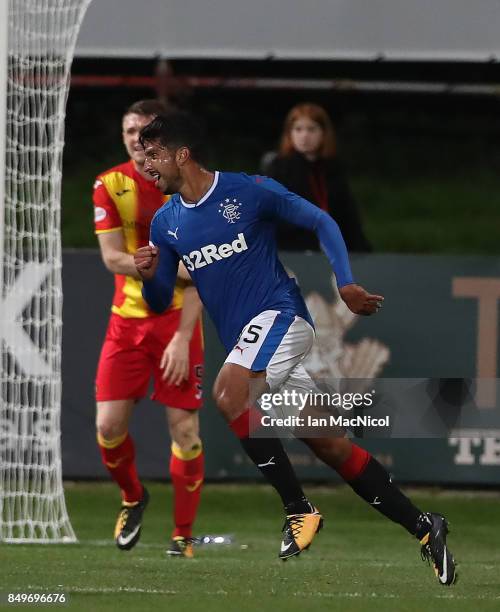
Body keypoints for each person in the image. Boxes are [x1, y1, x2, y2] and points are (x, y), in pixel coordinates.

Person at [133, 111, 456, 585]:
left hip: (282, 318)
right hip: (254, 343)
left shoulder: (247, 190)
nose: (147, 165)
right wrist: (148, 277)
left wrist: (345, 283)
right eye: (143, 156)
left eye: (154, 154)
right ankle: (426, 528)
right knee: (329, 445)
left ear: (183, 154)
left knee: (227, 394)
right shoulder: (165, 224)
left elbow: (321, 220)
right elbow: (162, 298)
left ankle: (298, 509)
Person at [92, 100, 204, 558]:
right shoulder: (110, 184)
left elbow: (202, 275)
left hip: (177, 323)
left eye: (144, 131)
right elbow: (112, 257)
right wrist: (163, 269)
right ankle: (134, 496)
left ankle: (182, 537)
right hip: (127, 324)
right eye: (128, 131)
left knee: (186, 432)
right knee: (108, 429)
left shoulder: (191, 187)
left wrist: (181, 337)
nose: (135, 140)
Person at [266, 102, 372, 253]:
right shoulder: (279, 169)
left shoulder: (333, 169)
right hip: (291, 251)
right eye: (298, 129)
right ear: (290, 134)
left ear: (323, 133)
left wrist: (361, 251)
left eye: (311, 129)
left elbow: (348, 216)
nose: (304, 135)